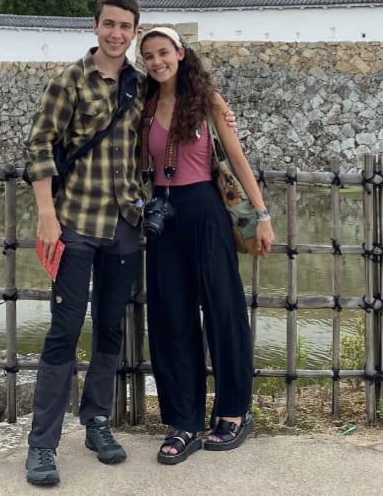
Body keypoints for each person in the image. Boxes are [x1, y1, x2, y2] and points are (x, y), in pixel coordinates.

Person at [23, 0, 146, 487]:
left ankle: (96, 420)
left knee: (111, 328)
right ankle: (42, 445)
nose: (117, 34)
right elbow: (38, 144)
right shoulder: (68, 81)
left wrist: (224, 120)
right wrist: (46, 214)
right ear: (95, 27)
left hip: (125, 226)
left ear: (135, 32)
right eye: (110, 24)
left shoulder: (140, 85)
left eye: (126, 27)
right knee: (64, 331)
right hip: (75, 223)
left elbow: (172, 125)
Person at [136, 25, 274, 466]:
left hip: (205, 210)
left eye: (164, 53)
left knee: (223, 310)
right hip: (162, 212)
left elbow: (236, 157)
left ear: (180, 53)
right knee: (170, 316)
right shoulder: (144, 103)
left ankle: (234, 412)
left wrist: (262, 213)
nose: (157, 62)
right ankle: (184, 420)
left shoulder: (208, 101)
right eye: (150, 56)